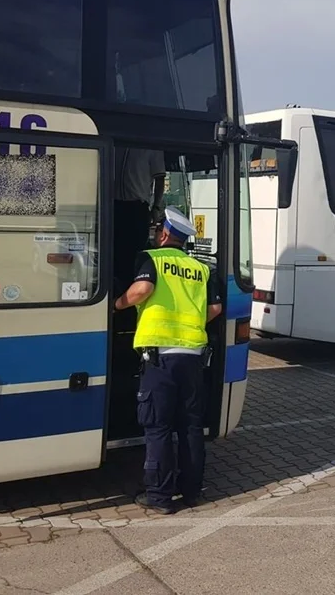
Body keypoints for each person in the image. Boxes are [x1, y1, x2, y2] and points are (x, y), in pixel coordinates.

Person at [113, 207, 222, 514]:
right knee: (190, 427)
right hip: (193, 356)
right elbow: (214, 310)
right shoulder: (200, 268)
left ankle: (159, 497)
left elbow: (142, 290)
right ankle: (191, 492)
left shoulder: (152, 258)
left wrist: (115, 304)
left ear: (162, 234)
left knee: (158, 427)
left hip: (160, 358)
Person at [113, 146, 166, 289]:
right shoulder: (116, 145)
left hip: (137, 207)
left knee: (134, 255)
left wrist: (156, 207)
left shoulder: (152, 147)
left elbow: (160, 179)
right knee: (112, 253)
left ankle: (130, 295)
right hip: (112, 205)